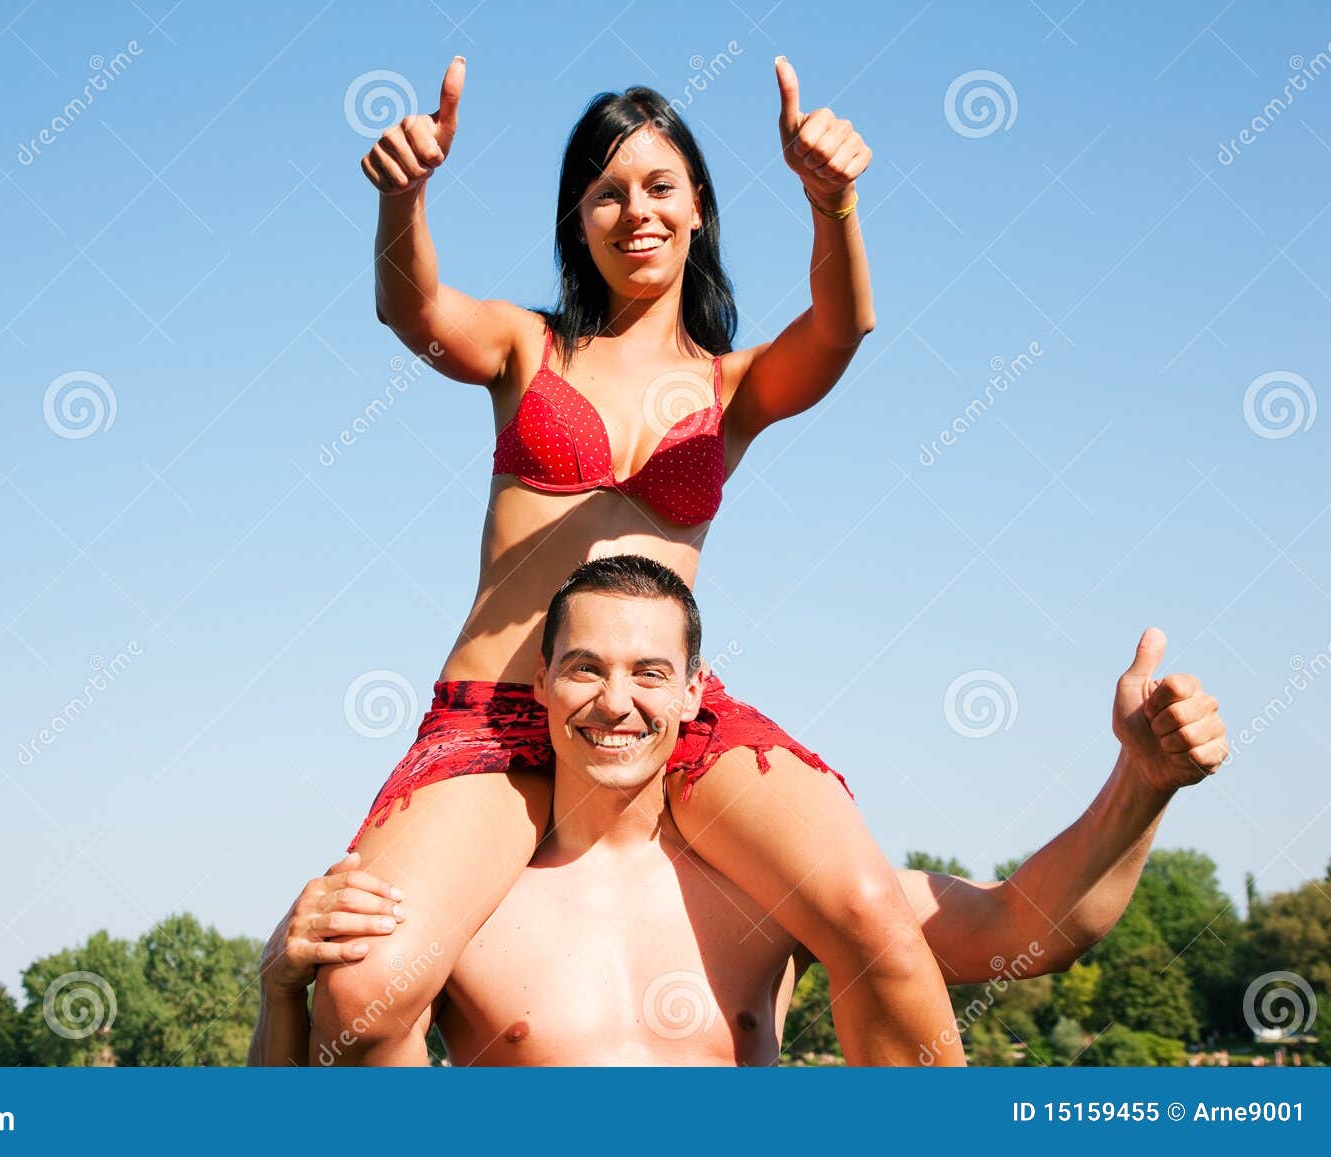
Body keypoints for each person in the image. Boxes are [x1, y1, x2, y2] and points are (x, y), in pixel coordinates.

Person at [323, 52, 961, 1066]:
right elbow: (414, 311)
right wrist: (405, 199)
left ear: (699, 206)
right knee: (363, 981)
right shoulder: (524, 348)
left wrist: (830, 202)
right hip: (495, 714)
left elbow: (841, 329)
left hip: (663, 714)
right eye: (606, 193)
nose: (636, 211)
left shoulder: (732, 385)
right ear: (578, 220)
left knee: (873, 916)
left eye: (660, 186)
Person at [252, 556, 1229, 1065]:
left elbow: (1026, 928)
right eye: (584, 667)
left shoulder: (766, 895)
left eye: (648, 672)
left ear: (695, 694)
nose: (615, 699)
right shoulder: (470, 907)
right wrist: (274, 993)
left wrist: (1139, 785)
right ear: (541, 684)